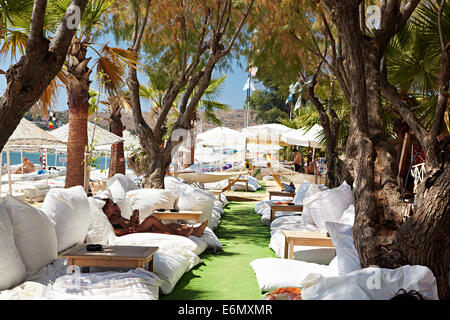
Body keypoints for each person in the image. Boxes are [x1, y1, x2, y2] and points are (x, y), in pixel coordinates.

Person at [101, 198, 208, 238]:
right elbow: (117, 231)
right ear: (106, 211)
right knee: (152, 219)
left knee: (171, 225)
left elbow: (133, 225)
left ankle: (194, 231)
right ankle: (178, 235)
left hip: (135, 229)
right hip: (132, 232)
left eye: (116, 204)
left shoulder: (119, 218)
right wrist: (130, 227)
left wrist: (134, 220)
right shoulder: (111, 220)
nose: (116, 207)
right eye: (112, 206)